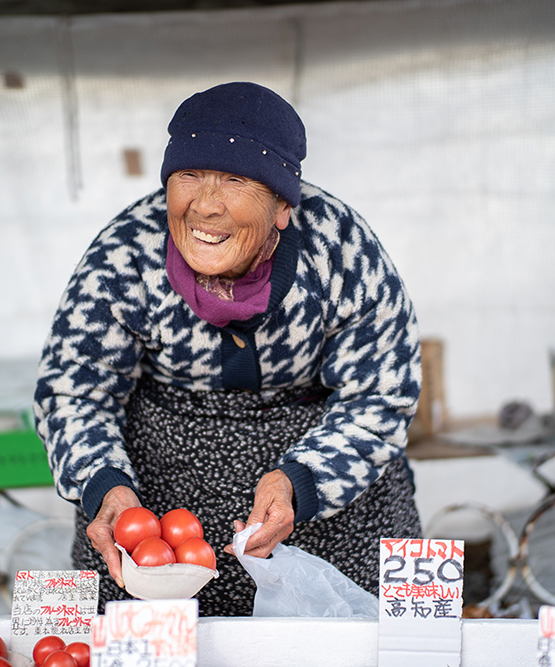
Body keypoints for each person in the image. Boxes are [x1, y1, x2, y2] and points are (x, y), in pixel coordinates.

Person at [34, 81, 423, 616]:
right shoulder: (125, 253)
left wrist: (302, 481)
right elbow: (73, 391)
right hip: (161, 500)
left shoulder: (340, 248)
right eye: (188, 176)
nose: (205, 206)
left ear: (283, 204)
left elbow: (381, 393)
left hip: (324, 504)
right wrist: (107, 488)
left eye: (235, 180)